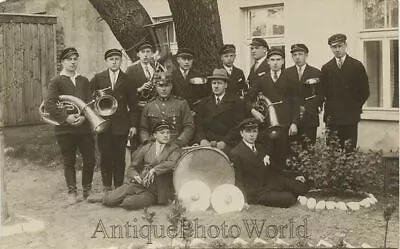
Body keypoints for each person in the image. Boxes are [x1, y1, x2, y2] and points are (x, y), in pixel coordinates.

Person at [45, 47, 95, 204]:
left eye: (75, 59)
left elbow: (89, 102)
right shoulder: (56, 81)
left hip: (84, 127)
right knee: (69, 160)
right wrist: (66, 118)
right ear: (62, 62)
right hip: (65, 129)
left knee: (90, 160)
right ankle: (72, 191)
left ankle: (87, 190)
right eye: (69, 59)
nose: (73, 62)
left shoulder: (83, 80)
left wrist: (84, 118)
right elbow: (50, 104)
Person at [89, 49, 140, 196]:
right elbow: (88, 96)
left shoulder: (128, 79)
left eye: (117, 59)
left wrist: (133, 125)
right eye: (111, 59)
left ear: (121, 61)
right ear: (106, 61)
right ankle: (106, 186)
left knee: (119, 157)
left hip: (121, 124)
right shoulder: (98, 78)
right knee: (105, 155)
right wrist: (95, 107)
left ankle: (118, 185)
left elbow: (134, 105)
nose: (114, 61)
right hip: (103, 123)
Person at [100, 120, 181, 210]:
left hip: (154, 191)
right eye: (162, 133)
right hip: (138, 184)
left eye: (168, 133)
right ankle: (110, 197)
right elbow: (132, 167)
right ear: (155, 135)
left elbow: (171, 163)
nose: (166, 135)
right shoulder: (147, 148)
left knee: (128, 203)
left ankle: (122, 197)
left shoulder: (174, 149)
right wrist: (135, 176)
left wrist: (154, 170)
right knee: (109, 201)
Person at [230, 118, 308, 208]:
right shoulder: (236, 153)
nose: (252, 135)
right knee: (288, 198)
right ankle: (292, 195)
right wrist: (242, 200)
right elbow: (238, 179)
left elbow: (274, 167)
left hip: (269, 183)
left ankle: (293, 193)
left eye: (254, 131)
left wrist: (294, 176)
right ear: (242, 133)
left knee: (301, 187)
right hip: (255, 192)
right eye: (248, 131)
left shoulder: (260, 147)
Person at [246, 47, 300, 168]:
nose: (275, 62)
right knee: (269, 157)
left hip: (285, 125)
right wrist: (253, 111)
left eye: (278, 59)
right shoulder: (261, 80)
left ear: (283, 62)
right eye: (272, 59)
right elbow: (247, 99)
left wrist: (294, 123)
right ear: (268, 62)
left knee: (284, 157)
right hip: (267, 125)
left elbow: (295, 103)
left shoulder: (290, 80)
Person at [321, 34, 369, 150]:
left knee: (349, 150)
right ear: (330, 48)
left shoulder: (356, 66)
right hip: (333, 117)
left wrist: (355, 107)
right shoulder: (326, 68)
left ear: (345, 45)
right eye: (334, 47)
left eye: (340, 46)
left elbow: (365, 91)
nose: (337, 50)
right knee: (333, 151)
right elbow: (323, 92)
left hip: (350, 117)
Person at [195, 68, 245, 152]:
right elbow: (198, 125)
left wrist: (225, 142)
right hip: (207, 144)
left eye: (219, 83)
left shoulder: (236, 102)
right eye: (214, 83)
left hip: (228, 144)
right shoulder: (204, 102)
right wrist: (202, 139)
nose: (216, 86)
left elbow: (238, 126)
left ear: (226, 85)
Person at [140, 71, 195, 147]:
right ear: (156, 87)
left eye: (166, 85)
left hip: (176, 144)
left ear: (171, 86)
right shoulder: (149, 106)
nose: (163, 89)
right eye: (160, 86)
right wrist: (147, 143)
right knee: (137, 157)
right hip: (153, 145)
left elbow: (189, 126)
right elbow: (143, 129)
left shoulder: (181, 104)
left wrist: (180, 142)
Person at [286, 44, 322, 147]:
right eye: (294, 54)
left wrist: (306, 108)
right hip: (292, 118)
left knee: (309, 150)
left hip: (309, 117)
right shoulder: (286, 73)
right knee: (293, 151)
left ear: (306, 55)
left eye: (300, 54)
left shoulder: (316, 72)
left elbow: (321, 95)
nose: (297, 57)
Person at [126, 41, 156, 107]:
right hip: (138, 107)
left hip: (154, 107)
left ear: (152, 54)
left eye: (148, 52)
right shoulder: (131, 70)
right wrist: (139, 89)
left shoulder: (156, 68)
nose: (145, 55)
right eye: (143, 52)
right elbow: (125, 90)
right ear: (138, 54)